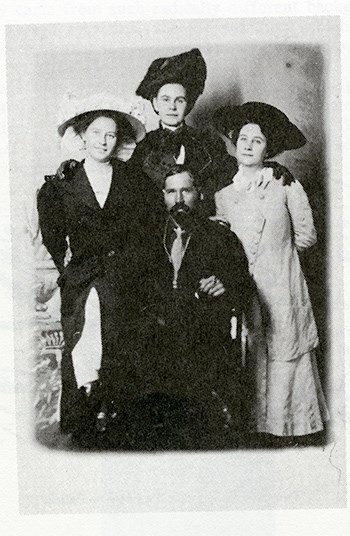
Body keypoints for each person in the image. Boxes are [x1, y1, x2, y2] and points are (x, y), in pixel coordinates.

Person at [213, 101, 329, 443]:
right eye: (243, 138)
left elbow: (306, 236)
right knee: (252, 350)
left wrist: (278, 257)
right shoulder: (223, 193)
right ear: (234, 142)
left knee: (286, 351)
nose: (248, 145)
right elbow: (222, 245)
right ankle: (255, 429)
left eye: (257, 140)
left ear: (268, 149)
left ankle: (291, 428)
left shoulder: (285, 184)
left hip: (282, 283)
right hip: (244, 288)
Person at [37, 93, 146, 441]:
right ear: (82, 136)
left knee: (118, 346)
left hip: (122, 279)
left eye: (111, 134)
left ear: (118, 141)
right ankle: (82, 424)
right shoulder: (63, 184)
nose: (103, 140)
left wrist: (128, 267)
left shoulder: (132, 181)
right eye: (96, 132)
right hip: (82, 279)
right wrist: (68, 268)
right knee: (83, 343)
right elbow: (53, 234)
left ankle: (114, 422)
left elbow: (144, 230)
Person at [128, 164, 252, 448]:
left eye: (186, 190)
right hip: (157, 331)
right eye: (171, 192)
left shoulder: (219, 236)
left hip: (202, 330)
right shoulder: (147, 237)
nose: (179, 199)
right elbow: (136, 287)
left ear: (199, 193)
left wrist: (226, 285)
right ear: (163, 196)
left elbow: (243, 283)